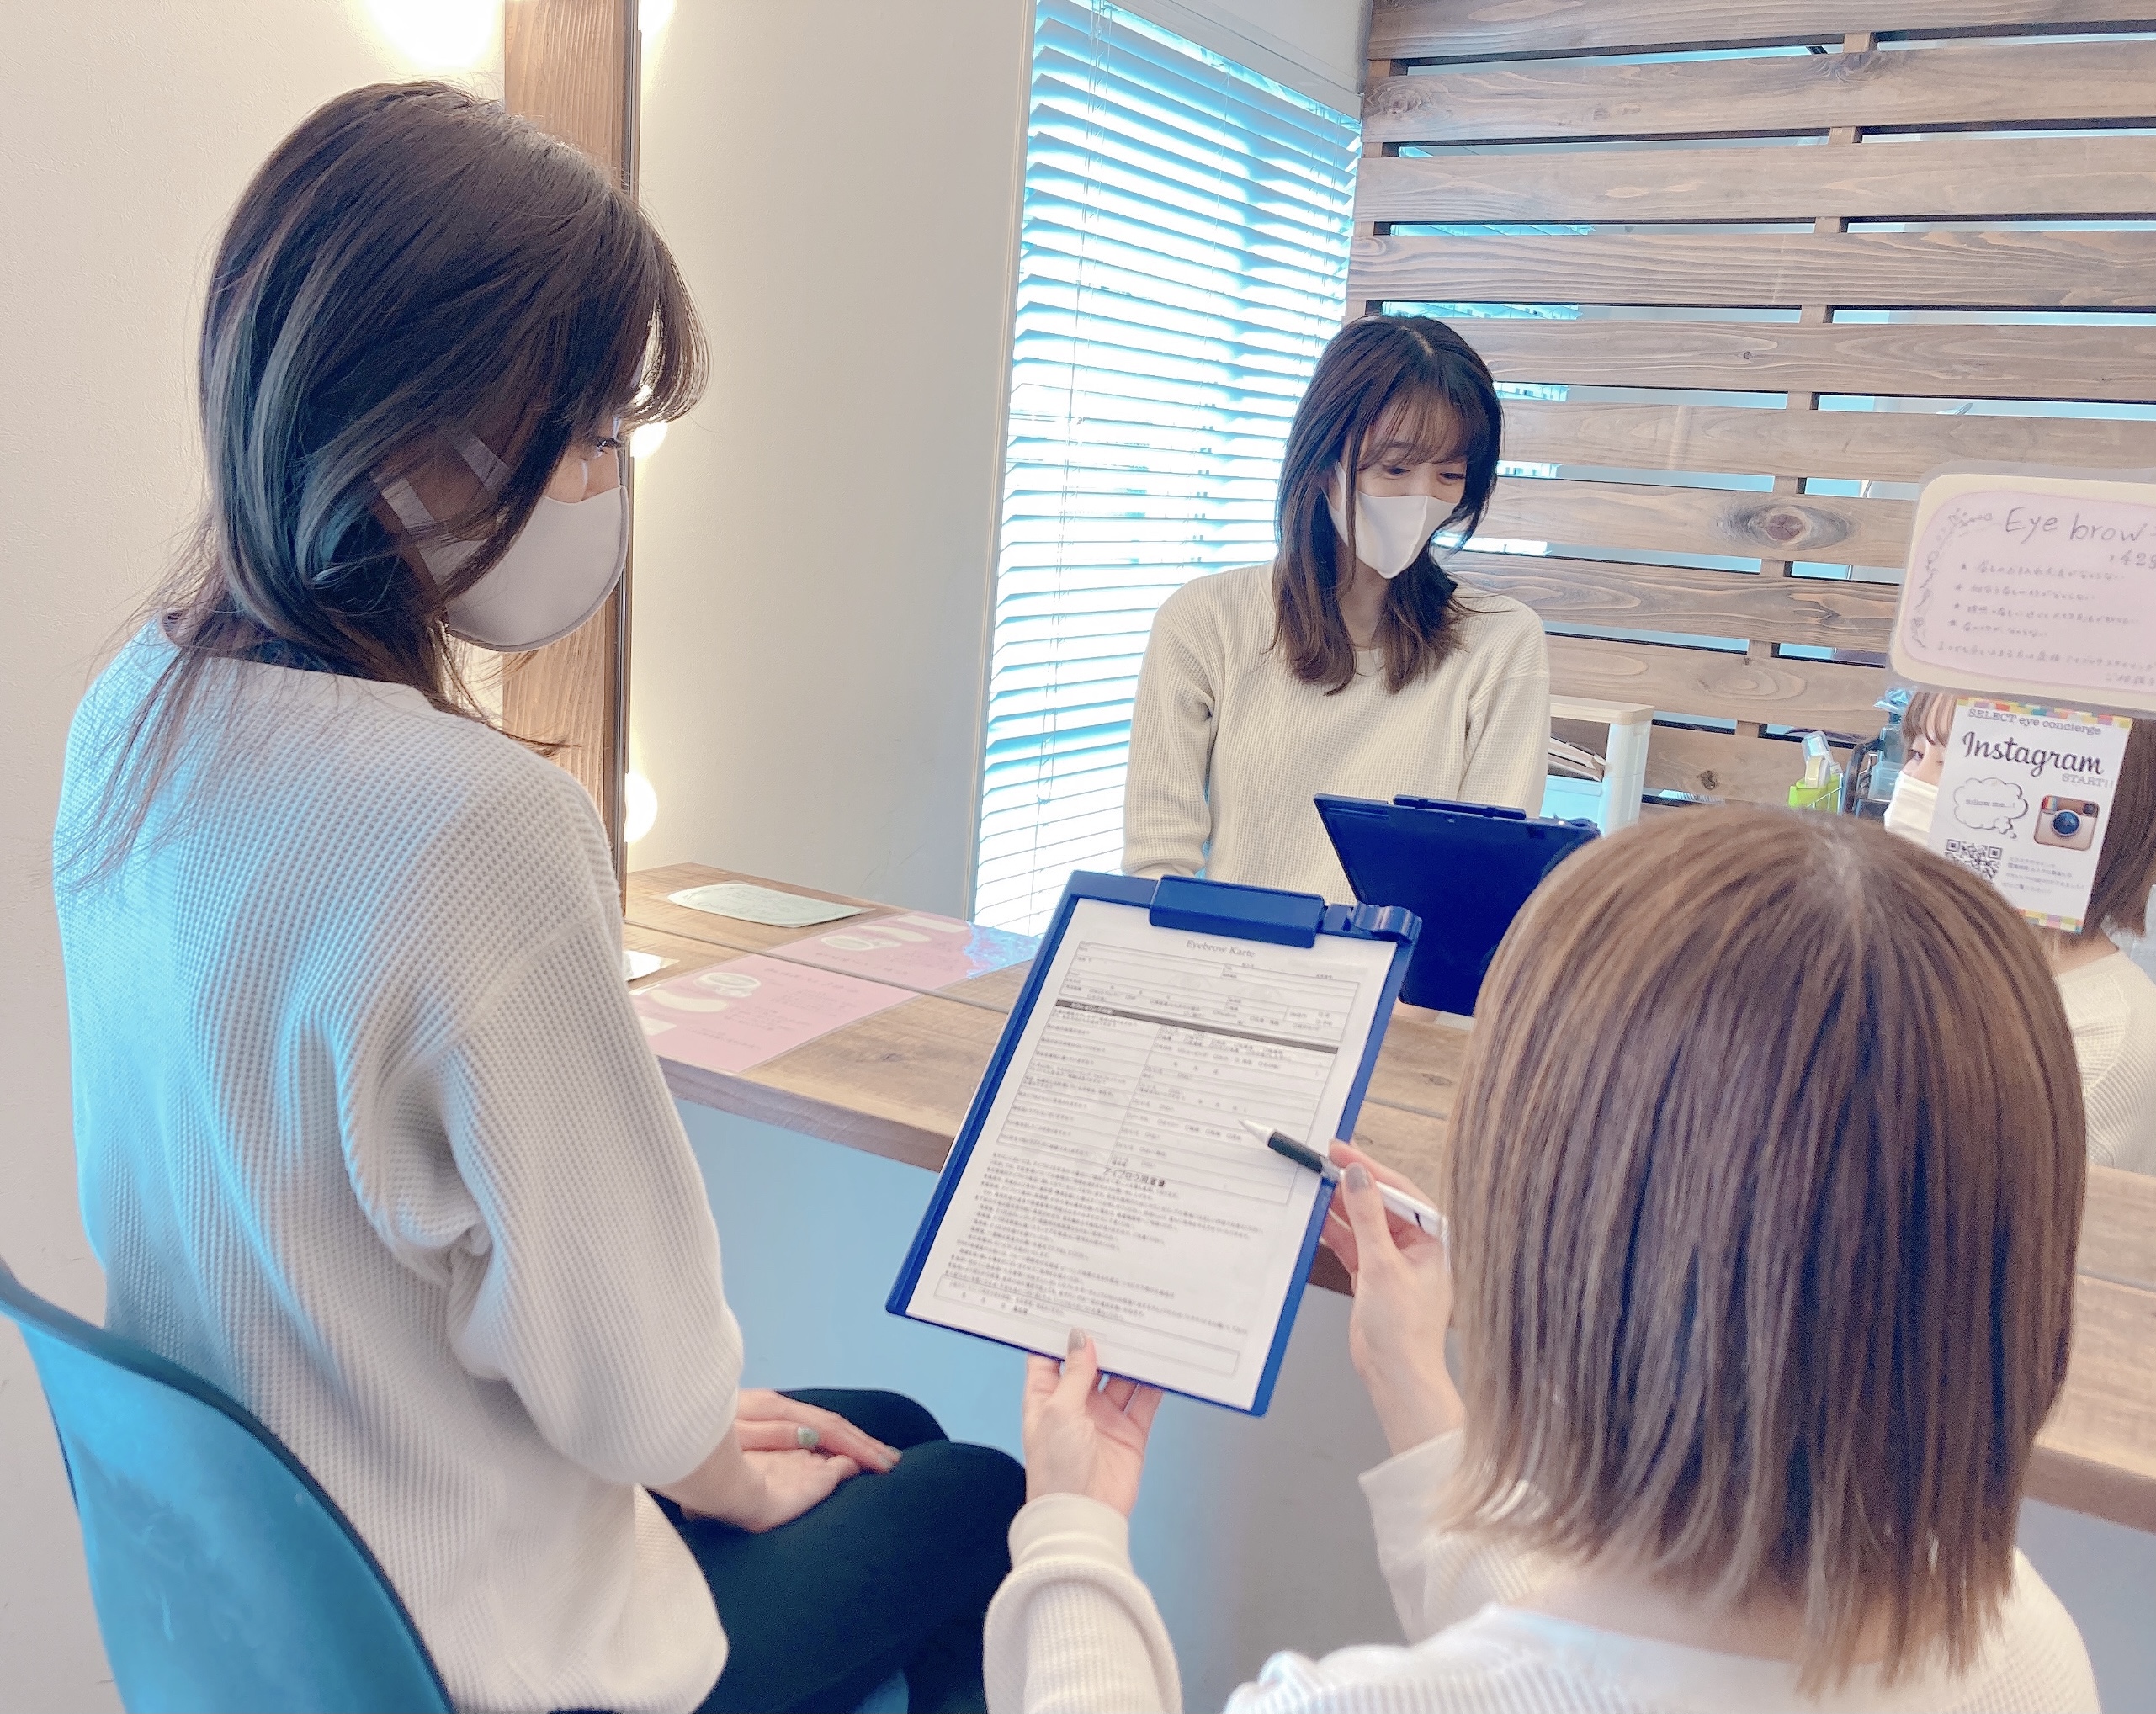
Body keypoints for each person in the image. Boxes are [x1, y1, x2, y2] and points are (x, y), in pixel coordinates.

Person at [53, 84, 1020, 1714]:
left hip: (264, 1608)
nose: (607, 480)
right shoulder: (473, 826)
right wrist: (704, 1453)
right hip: (470, 1644)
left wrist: (696, 1440)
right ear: (409, 437)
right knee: (970, 1490)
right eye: (591, 433)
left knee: (882, 1438)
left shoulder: (129, 719)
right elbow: (635, 1386)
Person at [986, 809, 2099, 1713]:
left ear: (1541, 1247)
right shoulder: (2029, 1644)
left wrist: (1073, 1531)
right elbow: (1591, 1657)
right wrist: (1408, 1376)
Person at [1122, 316, 1551, 902]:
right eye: (1395, 468)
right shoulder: (1205, 620)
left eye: (1450, 474)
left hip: (1403, 963)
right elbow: (1157, 865)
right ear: (1324, 462)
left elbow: (1481, 884)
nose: (1423, 497)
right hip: (1234, 950)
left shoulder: (1501, 640)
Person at [1892, 689, 2156, 1174]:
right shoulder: (1940, 961)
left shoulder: (2101, 1044)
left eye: (1950, 764)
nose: (1912, 783)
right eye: (1916, 753)